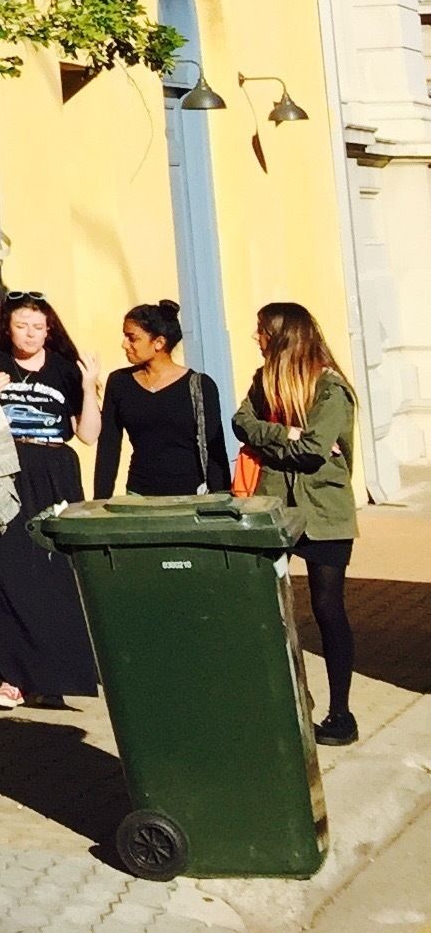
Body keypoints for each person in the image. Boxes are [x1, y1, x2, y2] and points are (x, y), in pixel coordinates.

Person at [0, 291, 99, 709]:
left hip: (55, 472)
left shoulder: (64, 369)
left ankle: (52, 676)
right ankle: (10, 678)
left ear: (49, 329)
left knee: (55, 573)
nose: (30, 334)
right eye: (22, 325)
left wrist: (89, 387)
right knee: (6, 569)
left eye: (38, 327)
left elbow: (88, 434)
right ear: (8, 326)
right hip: (5, 473)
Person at [236, 300, 361, 745]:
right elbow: (240, 422)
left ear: (284, 335)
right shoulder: (264, 380)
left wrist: (283, 439)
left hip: (326, 514)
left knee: (328, 609)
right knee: (269, 608)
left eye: (261, 330)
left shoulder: (331, 388)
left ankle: (341, 714)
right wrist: (282, 433)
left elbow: (312, 450)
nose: (256, 338)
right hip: (275, 509)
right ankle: (292, 702)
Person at [94, 298, 231, 498]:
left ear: (159, 342)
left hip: (190, 499)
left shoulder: (200, 386)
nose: (124, 344)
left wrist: (221, 503)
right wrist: (100, 501)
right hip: (139, 497)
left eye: (132, 338)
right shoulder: (119, 383)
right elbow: (109, 447)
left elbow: (215, 450)